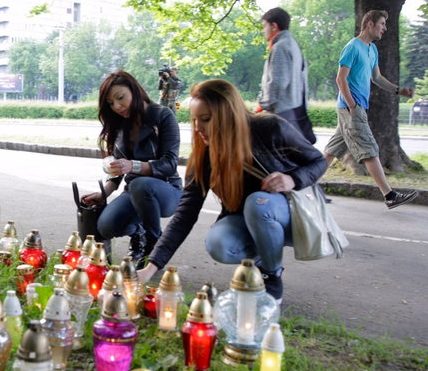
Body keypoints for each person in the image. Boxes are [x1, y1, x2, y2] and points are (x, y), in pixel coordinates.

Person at [138, 79, 327, 303]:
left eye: (206, 119)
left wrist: (292, 179)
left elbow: (318, 161)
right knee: (219, 243)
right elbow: (184, 214)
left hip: (289, 217)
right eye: (195, 120)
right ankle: (260, 263)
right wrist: (150, 268)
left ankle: (271, 278)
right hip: (247, 219)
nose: (198, 128)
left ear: (227, 114)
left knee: (257, 202)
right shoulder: (205, 155)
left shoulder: (269, 128)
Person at [80, 70, 183, 264]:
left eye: (120, 98)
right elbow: (118, 171)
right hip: (135, 192)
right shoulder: (120, 126)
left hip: (167, 191)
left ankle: (153, 245)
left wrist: (132, 166)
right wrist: (104, 193)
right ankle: (139, 233)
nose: (117, 107)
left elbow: (169, 164)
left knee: (141, 184)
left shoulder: (162, 115)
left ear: (134, 90)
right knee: (106, 226)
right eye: (111, 103)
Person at [323, 9, 417, 209]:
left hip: (354, 107)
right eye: (382, 23)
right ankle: (389, 195)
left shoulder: (372, 50)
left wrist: (399, 91)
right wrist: (352, 105)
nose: (385, 28)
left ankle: (306, 186)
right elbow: (340, 79)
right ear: (369, 24)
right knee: (369, 149)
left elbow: (377, 78)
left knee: (332, 150)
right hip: (351, 107)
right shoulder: (352, 47)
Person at [258, 7, 316, 144]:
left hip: (281, 112)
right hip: (295, 110)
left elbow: (278, 82)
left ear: (274, 26)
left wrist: (264, 104)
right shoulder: (293, 45)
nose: (263, 31)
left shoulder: (280, 47)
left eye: (264, 26)